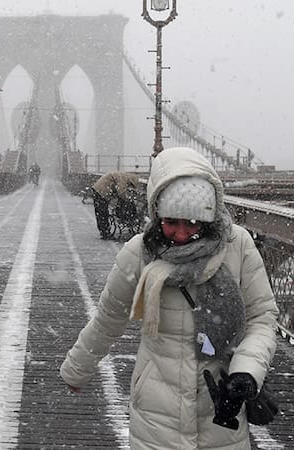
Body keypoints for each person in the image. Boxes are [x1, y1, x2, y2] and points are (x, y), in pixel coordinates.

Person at [60, 147, 279, 449]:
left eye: (192, 223)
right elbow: (109, 319)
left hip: (222, 405)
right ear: (156, 211)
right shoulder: (139, 253)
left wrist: (246, 373)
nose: (180, 233)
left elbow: (261, 319)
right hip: (156, 410)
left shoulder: (236, 245)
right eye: (171, 222)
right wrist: (77, 369)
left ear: (210, 217)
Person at [91, 171, 143, 239]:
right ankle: (105, 233)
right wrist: (129, 199)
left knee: (101, 213)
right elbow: (121, 191)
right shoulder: (123, 178)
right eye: (131, 185)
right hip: (101, 191)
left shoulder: (123, 176)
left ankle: (104, 232)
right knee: (102, 213)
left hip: (99, 190)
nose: (130, 186)